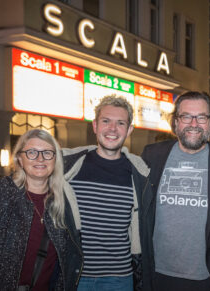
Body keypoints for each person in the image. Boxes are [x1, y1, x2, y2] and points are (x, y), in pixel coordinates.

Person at [0, 129, 83, 290]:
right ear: (19, 159)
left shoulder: (62, 203)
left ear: (55, 160)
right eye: (31, 152)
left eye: (47, 153)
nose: (40, 158)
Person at [140, 91, 210, 291]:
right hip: (156, 274)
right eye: (186, 116)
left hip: (206, 276)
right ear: (176, 122)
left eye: (202, 117)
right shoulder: (152, 155)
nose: (194, 124)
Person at [62, 95, 149, 291]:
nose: (112, 129)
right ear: (95, 126)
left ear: (129, 130)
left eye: (120, 123)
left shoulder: (140, 174)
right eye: (106, 121)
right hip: (74, 275)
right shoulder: (69, 166)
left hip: (119, 278)